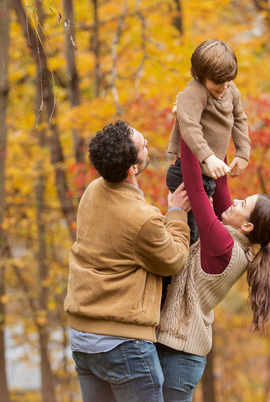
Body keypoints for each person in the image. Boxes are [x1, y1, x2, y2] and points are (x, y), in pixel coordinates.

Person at [64, 120, 191, 402]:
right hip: (122, 343)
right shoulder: (142, 219)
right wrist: (177, 213)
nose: (148, 147)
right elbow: (174, 260)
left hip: (82, 337)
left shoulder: (92, 191)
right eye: (143, 145)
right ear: (132, 168)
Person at [156, 138, 270, 401]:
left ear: (247, 226)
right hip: (180, 353)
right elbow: (221, 181)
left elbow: (195, 188)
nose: (235, 201)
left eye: (243, 204)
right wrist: (215, 123)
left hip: (180, 357)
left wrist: (188, 128)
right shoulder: (235, 240)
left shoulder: (223, 246)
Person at [167, 39, 252, 244]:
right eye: (217, 82)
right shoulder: (194, 93)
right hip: (187, 173)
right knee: (192, 236)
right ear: (198, 75)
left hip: (212, 173)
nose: (224, 86)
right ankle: (179, 272)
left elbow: (239, 118)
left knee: (224, 221)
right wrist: (208, 157)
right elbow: (189, 126)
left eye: (228, 80)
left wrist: (242, 152)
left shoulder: (230, 90)